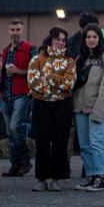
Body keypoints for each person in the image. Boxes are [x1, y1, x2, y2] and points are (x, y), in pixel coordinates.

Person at [27, 27, 77, 192]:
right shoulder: (37, 59)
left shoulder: (70, 61)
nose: (60, 42)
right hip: (41, 104)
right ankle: (41, 178)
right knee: (41, 142)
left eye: (63, 40)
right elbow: (33, 84)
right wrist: (58, 84)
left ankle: (57, 178)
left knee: (59, 142)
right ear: (50, 40)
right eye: (58, 39)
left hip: (62, 105)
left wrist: (49, 77)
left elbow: (69, 83)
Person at [72, 23, 104, 192]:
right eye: (88, 37)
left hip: (97, 106)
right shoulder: (80, 59)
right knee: (84, 144)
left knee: (97, 141)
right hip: (80, 107)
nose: (91, 40)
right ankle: (90, 176)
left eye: (94, 37)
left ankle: (100, 176)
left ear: (100, 38)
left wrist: (101, 107)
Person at [0, 18, 35, 177]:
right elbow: (4, 74)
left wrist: (18, 71)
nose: (15, 33)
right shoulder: (6, 50)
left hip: (22, 93)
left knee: (14, 127)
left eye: (18, 30)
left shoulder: (30, 48)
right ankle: (15, 164)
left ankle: (25, 161)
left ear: (22, 30)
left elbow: (36, 72)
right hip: (6, 94)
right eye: (13, 30)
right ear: (9, 31)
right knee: (10, 131)